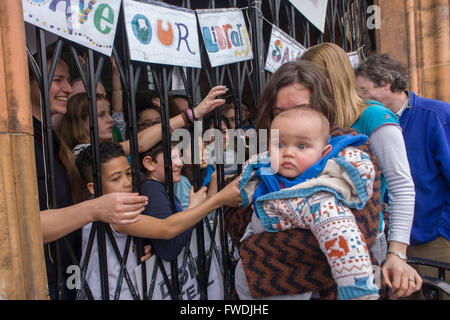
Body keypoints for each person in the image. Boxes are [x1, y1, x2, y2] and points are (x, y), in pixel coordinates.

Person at [225, 60, 383, 300]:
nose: (290, 120)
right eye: (279, 113)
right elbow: (236, 220)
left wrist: (255, 252)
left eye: (302, 108)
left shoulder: (350, 151)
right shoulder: (267, 152)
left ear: (322, 107)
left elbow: (358, 232)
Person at [300, 43, 421, 298]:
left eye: (311, 79)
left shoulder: (374, 116)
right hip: (317, 243)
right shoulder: (317, 119)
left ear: (332, 78)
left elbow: (402, 187)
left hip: (366, 242)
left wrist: (397, 254)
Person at [29, 49, 148, 299]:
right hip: (42, 281)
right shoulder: (23, 145)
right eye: (57, 79)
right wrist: (95, 208)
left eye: (67, 79)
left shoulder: (49, 140)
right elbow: (25, 225)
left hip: (68, 273)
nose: (68, 89)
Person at [75, 141, 241, 299]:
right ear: (94, 187)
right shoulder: (111, 214)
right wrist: (218, 200)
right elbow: (165, 229)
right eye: (116, 179)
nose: (127, 183)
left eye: (128, 174)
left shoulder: (115, 210)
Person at [355, 54, 450, 299]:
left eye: (364, 90)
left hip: (431, 237)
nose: (360, 98)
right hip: (388, 240)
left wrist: (442, 227)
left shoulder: (436, 115)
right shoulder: (366, 121)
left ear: (386, 82)